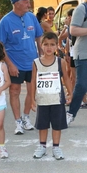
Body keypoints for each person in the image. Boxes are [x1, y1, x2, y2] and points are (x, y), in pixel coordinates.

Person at [0, 0, 43, 135]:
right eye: (25, 1)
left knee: (31, 91)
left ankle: (26, 117)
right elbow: (0, 45)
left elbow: (39, 37)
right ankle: (17, 122)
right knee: (15, 91)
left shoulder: (31, 17)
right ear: (16, 3)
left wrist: (42, 57)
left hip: (32, 62)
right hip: (15, 63)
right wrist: (10, 64)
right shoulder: (5, 21)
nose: (28, 3)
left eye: (28, 0)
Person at [31, 32, 73, 160]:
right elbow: (33, 81)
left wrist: (70, 93)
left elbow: (66, 78)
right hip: (43, 100)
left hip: (57, 100)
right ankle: (42, 147)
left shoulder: (60, 62)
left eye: (52, 45)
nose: (49, 47)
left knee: (57, 125)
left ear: (56, 46)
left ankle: (56, 147)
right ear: (41, 45)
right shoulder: (36, 62)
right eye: (46, 44)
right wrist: (32, 99)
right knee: (42, 125)